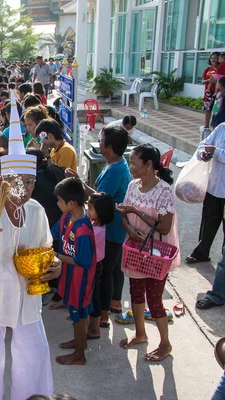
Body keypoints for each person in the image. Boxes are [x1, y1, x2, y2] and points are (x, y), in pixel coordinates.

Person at [0, 93, 60, 399]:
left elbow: (47, 251)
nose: (26, 190)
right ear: (4, 180)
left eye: (30, 183)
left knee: (33, 353)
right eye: (18, 182)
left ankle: (28, 396)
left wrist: (53, 267)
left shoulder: (36, 211)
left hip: (26, 295)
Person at [116, 143, 179, 362]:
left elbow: (163, 228)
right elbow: (123, 213)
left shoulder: (164, 191)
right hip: (135, 249)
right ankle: (140, 334)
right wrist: (129, 228)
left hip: (156, 254)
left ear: (149, 165)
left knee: (155, 300)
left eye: (134, 162)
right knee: (135, 293)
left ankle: (165, 344)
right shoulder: (133, 185)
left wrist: (136, 211)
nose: (131, 166)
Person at [66, 125, 131, 331]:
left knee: (104, 273)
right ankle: (112, 304)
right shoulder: (114, 163)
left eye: (102, 141)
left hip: (111, 229)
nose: (98, 143)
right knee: (112, 269)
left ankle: (102, 316)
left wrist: (78, 182)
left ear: (110, 147)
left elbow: (100, 200)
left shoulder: (116, 170)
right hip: (112, 227)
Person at [51, 177, 96, 366]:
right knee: (77, 313)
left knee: (79, 316)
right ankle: (80, 342)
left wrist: (56, 256)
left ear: (71, 203)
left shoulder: (83, 229)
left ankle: (79, 355)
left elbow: (83, 261)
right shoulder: (66, 217)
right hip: (69, 277)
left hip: (81, 280)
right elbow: (51, 233)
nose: (57, 204)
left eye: (60, 201)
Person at [186, 123, 225, 264]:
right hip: (214, 187)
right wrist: (203, 153)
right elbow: (204, 144)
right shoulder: (222, 128)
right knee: (208, 221)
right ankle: (201, 253)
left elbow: (216, 151)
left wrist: (216, 152)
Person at [86, 193, 114, 340]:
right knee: (91, 294)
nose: (87, 210)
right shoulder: (96, 225)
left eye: (90, 208)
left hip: (93, 266)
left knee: (93, 296)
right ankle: (90, 323)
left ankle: (94, 327)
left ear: (100, 212)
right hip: (94, 265)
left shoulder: (96, 231)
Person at [201, 52, 221, 138]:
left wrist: (216, 81)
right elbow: (202, 81)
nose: (213, 59)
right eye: (212, 58)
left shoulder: (221, 69)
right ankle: (206, 126)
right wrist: (209, 80)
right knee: (208, 109)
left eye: (215, 58)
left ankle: (217, 127)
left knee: (217, 110)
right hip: (208, 93)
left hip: (219, 92)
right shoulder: (207, 70)